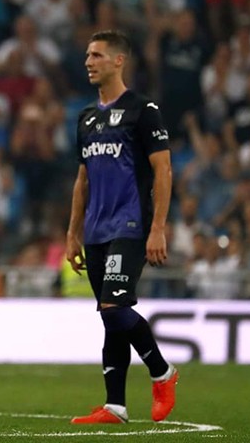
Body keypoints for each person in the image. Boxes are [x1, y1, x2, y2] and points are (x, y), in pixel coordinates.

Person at [65, 30, 178, 425]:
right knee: (110, 316)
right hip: (96, 229)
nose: (88, 62)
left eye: (97, 55)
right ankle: (115, 405)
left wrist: (158, 227)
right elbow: (82, 179)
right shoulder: (86, 117)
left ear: (119, 60)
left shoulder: (143, 110)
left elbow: (163, 170)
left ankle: (162, 372)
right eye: (87, 55)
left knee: (114, 309)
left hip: (130, 224)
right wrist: (72, 234)